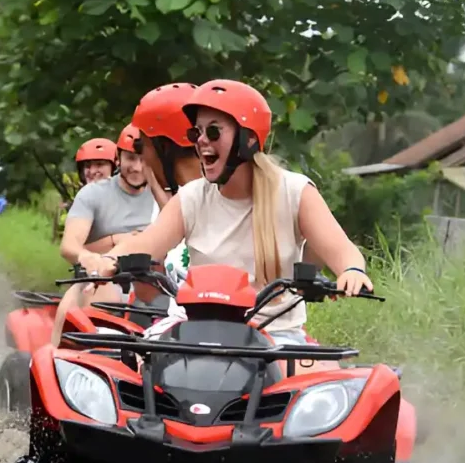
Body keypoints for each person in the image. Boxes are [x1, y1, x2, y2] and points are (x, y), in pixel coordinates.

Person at [79, 79, 372, 371]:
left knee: (330, 392)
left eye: (213, 131)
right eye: (196, 132)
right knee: (127, 378)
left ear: (248, 139)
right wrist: (109, 260)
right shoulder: (192, 197)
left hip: (276, 337)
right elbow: (145, 245)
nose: (201, 141)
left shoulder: (295, 192)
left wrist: (352, 271)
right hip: (191, 331)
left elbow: (342, 249)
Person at [48, 123, 154, 346]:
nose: (136, 167)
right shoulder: (92, 194)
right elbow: (69, 245)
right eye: (130, 159)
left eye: (143, 159)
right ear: (118, 159)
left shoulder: (166, 194)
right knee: (100, 295)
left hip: (154, 282)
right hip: (98, 279)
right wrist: (89, 257)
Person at [128, 82, 202, 280]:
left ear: (164, 147)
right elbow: (147, 294)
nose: (142, 158)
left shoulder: (227, 197)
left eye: (141, 146)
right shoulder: (170, 203)